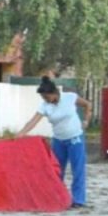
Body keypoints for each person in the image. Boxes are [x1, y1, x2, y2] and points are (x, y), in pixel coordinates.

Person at [16, 76, 91, 208]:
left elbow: (87, 105)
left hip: (75, 138)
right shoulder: (44, 106)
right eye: (44, 98)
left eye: (46, 97)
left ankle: (78, 200)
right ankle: (57, 197)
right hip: (59, 141)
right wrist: (21, 133)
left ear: (54, 93)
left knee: (77, 170)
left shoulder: (70, 97)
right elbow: (33, 121)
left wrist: (86, 120)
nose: (46, 100)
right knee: (56, 171)